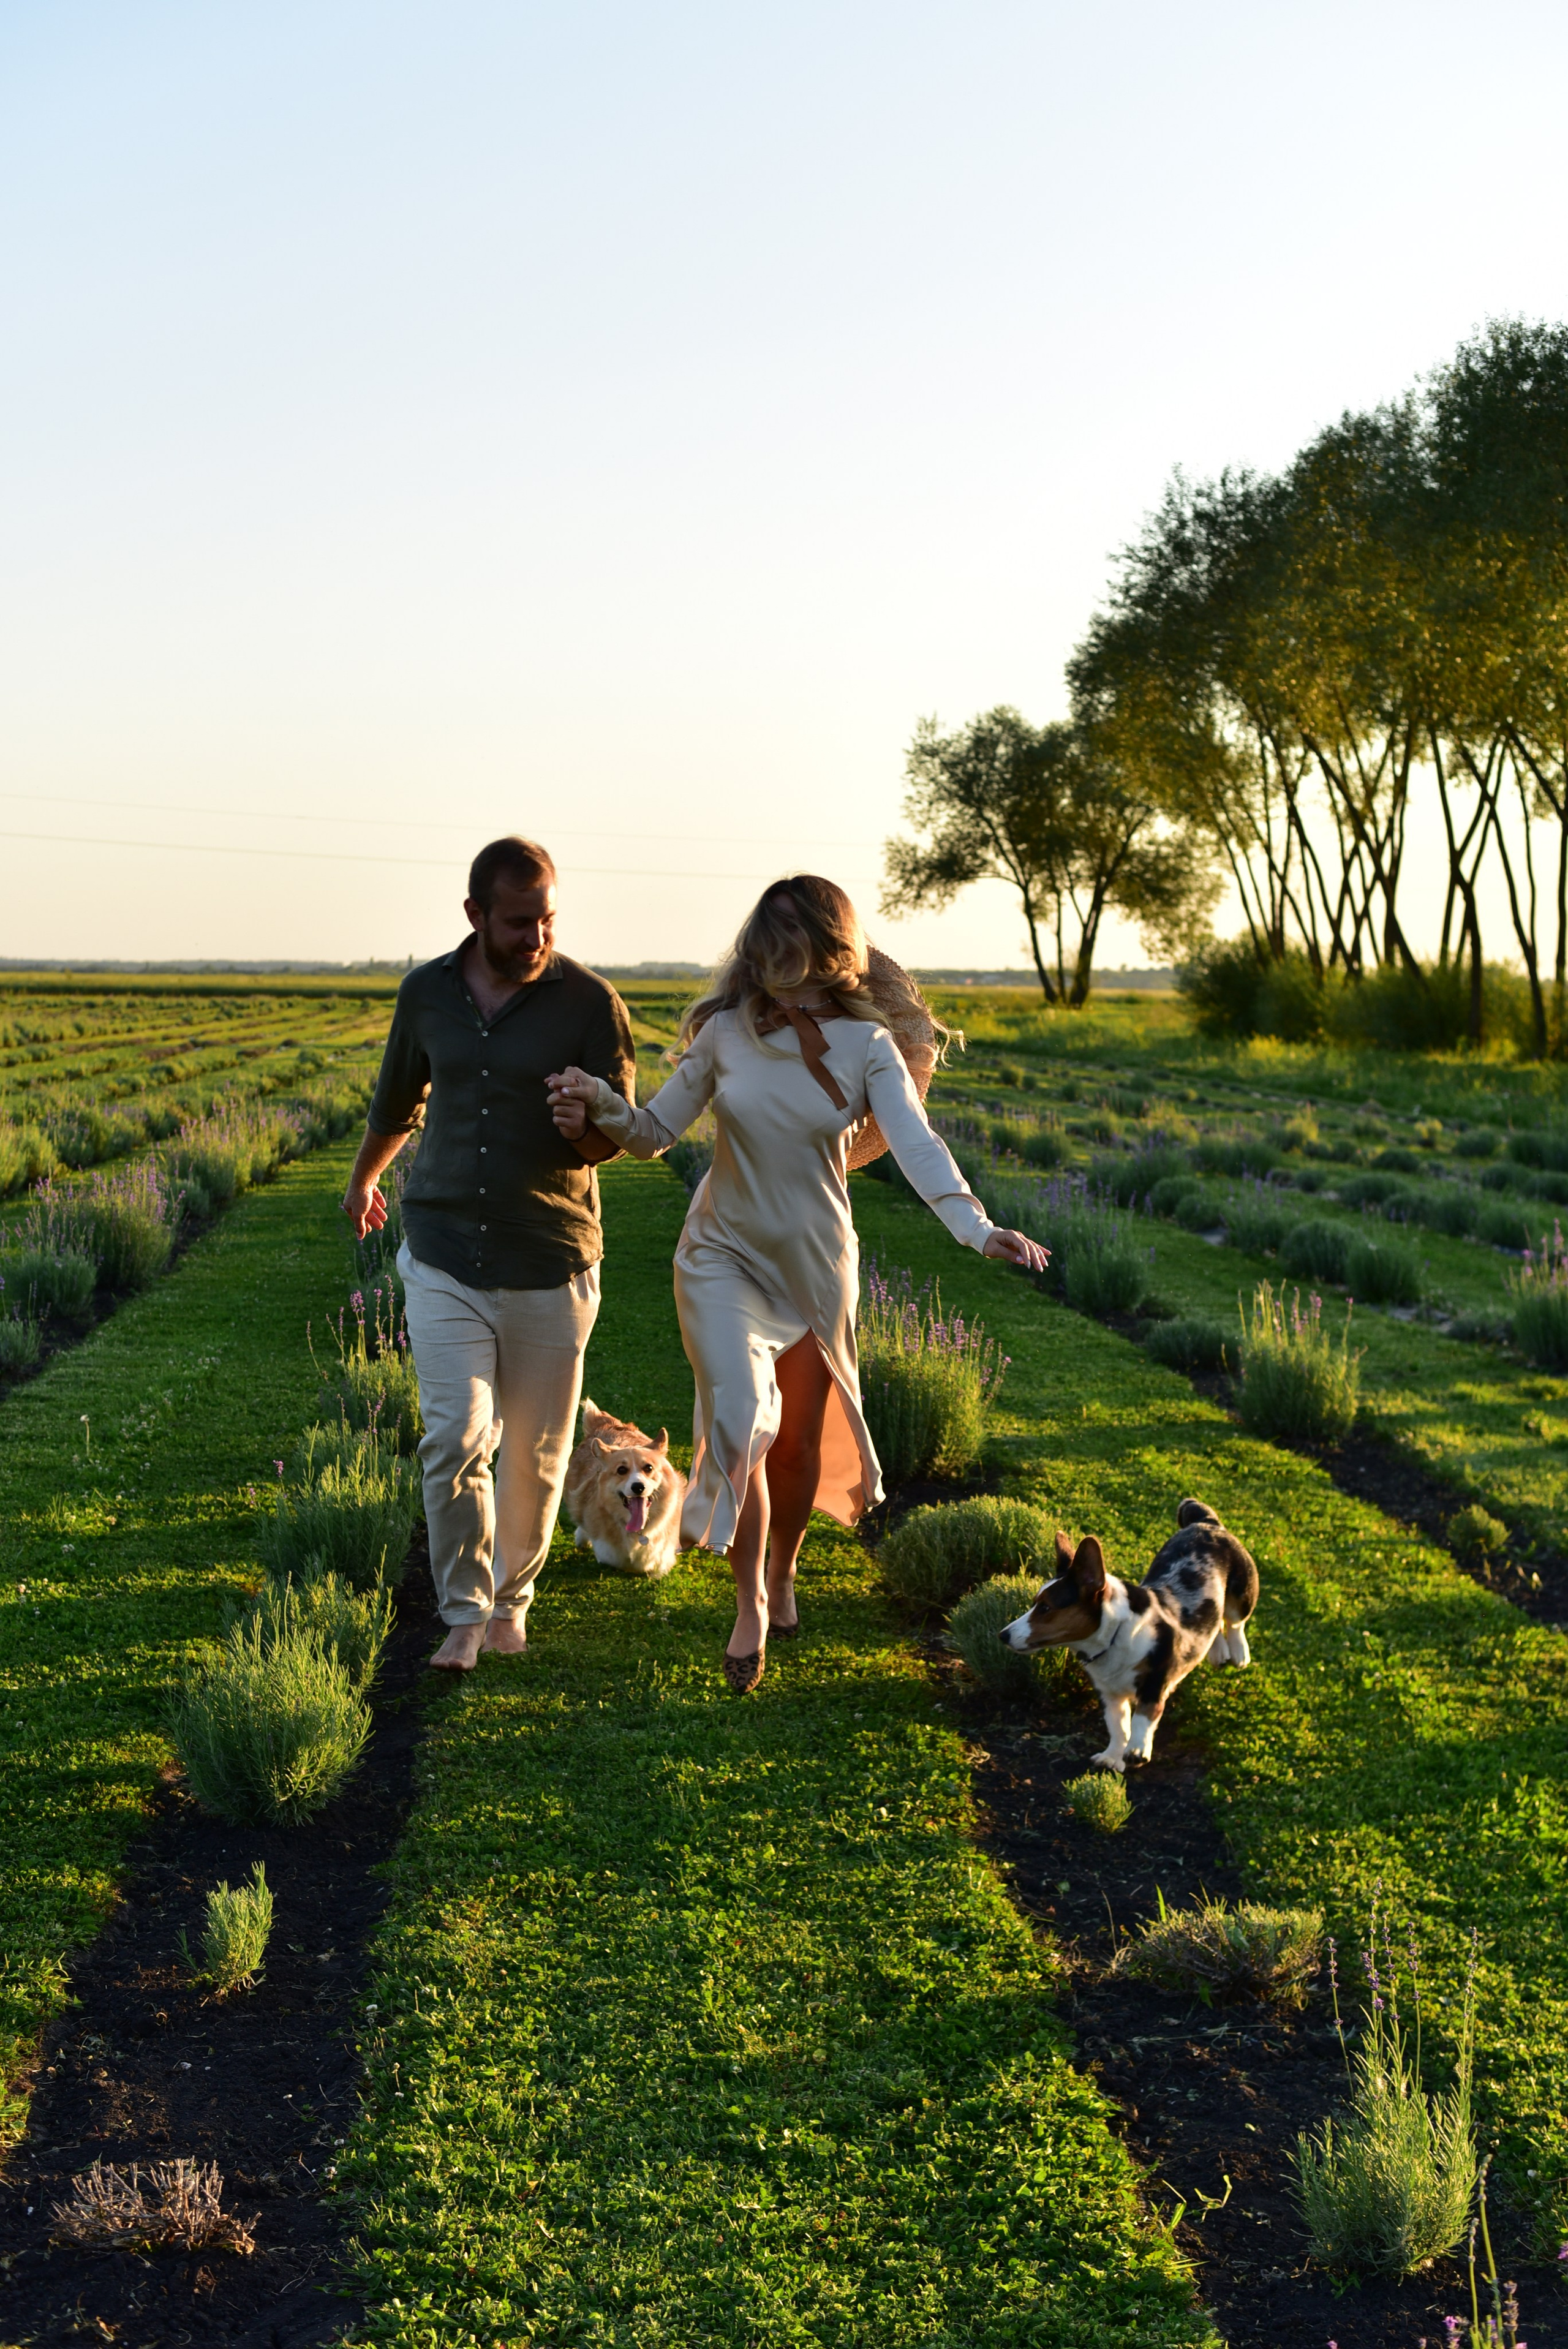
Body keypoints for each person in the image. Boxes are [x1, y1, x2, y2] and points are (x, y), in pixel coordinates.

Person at [546, 874, 1047, 1693]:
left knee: (805, 1443)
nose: (771, 963)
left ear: (829, 952)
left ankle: (782, 1572)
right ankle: (747, 1604)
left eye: (790, 948)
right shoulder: (725, 1034)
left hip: (815, 1262)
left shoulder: (867, 1046)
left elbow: (917, 1146)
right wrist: (603, 1101)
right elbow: (653, 1135)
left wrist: (979, 1228)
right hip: (721, 1254)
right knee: (740, 1424)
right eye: (762, 947)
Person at [341, 836, 635, 1672]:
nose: (536, 937)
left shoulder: (589, 1002)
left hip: (551, 1259)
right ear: (474, 915)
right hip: (442, 1253)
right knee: (454, 1438)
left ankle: (515, 1601)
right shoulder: (426, 994)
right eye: (518, 922)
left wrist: (590, 1128)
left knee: (537, 1454)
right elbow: (397, 1102)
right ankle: (465, 1611)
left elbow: (622, 1129)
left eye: (547, 919)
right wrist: (364, 1181)